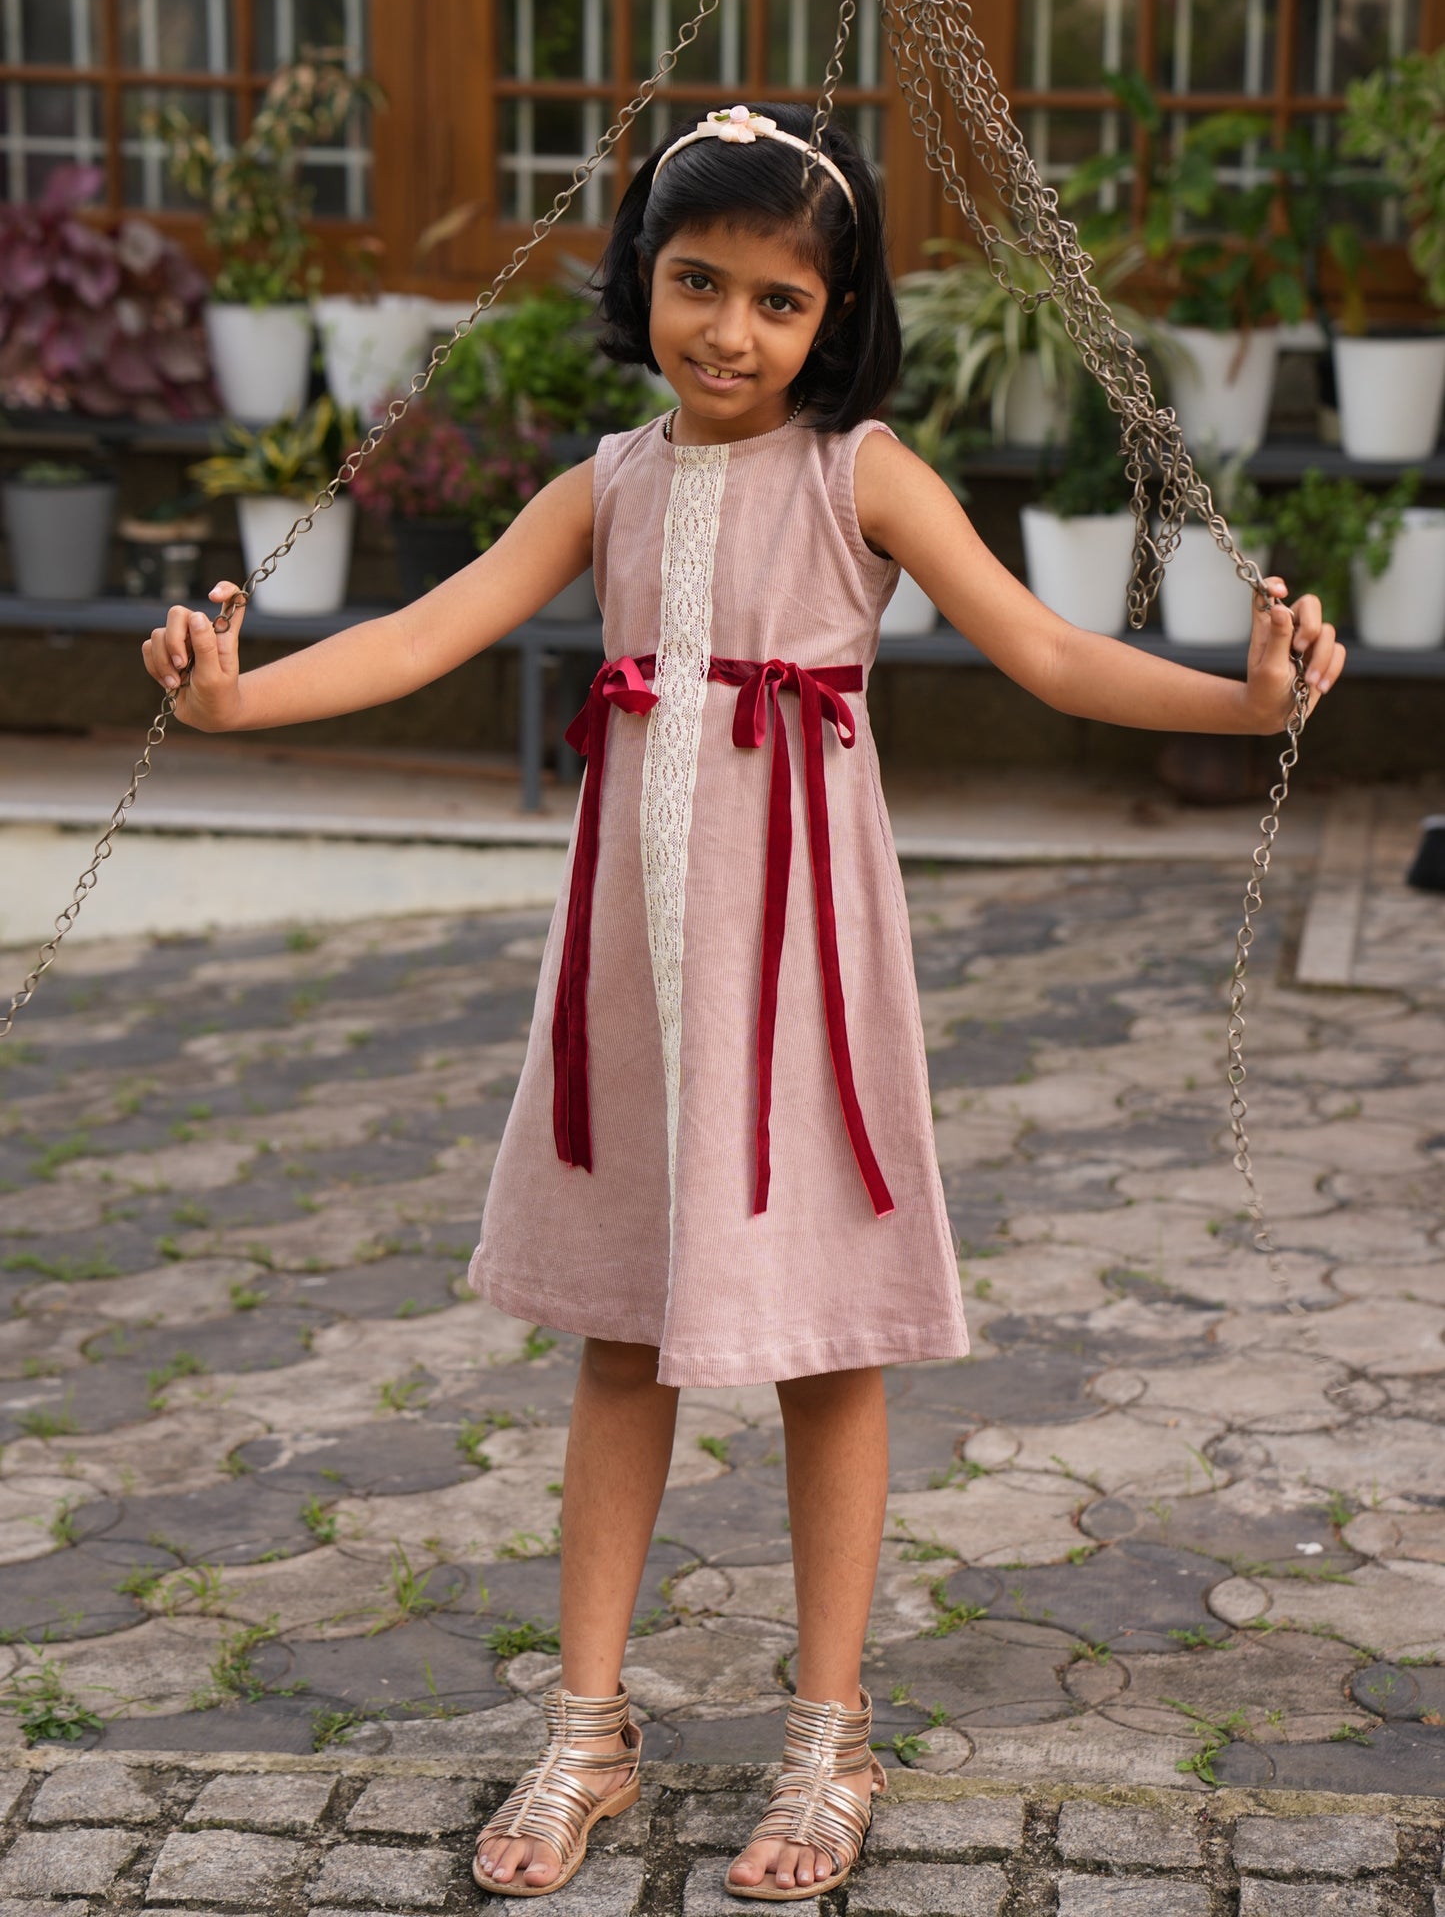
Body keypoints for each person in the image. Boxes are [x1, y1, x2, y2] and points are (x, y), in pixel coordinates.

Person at [143, 101, 1344, 1903]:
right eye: (697, 283)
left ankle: (828, 1728)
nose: (728, 331)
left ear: (832, 314)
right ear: (642, 279)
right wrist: (236, 705)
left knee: (824, 1343)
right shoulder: (602, 486)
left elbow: (1046, 649)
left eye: (778, 301)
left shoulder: (858, 476)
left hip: (802, 964)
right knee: (619, 1332)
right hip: (631, 965)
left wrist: (1246, 704)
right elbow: (420, 634)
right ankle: (588, 1723)